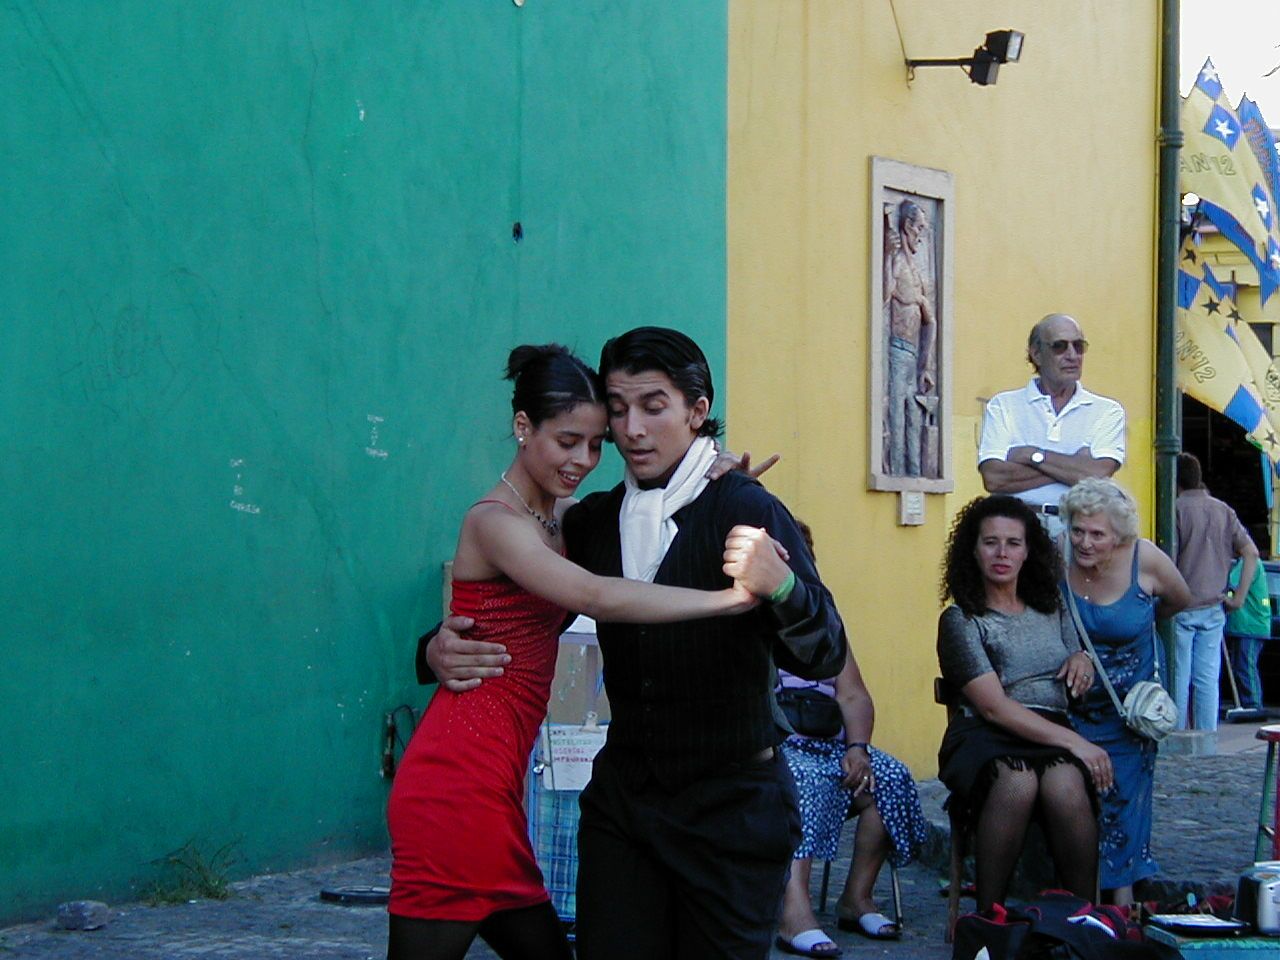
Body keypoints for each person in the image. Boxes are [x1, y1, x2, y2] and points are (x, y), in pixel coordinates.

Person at [422, 327, 848, 960]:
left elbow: (823, 654)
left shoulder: (745, 506)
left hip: (730, 809)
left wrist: (782, 585)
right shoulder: (593, 520)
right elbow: (511, 610)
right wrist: (434, 649)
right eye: (617, 410)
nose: (632, 430)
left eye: (653, 406)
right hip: (626, 808)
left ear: (697, 412)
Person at [937, 494, 1111, 912]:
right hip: (986, 733)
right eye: (990, 542)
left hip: (1050, 727)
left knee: (1065, 784)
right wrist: (1078, 744)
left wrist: (1081, 659)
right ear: (972, 550)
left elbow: (1077, 656)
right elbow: (993, 707)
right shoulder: (961, 620)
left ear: (1028, 550)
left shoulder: (1051, 606)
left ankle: (1082, 918)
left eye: (1013, 543)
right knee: (1018, 782)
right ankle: (990, 917)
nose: (1002, 553)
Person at [774, 524, 927, 958]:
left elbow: (854, 693)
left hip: (832, 745)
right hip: (777, 745)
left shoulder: (822, 621)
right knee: (802, 782)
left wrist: (857, 748)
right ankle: (794, 910)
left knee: (890, 776)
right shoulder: (745, 616)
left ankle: (856, 897)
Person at [1060, 477, 1191, 905]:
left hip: (1129, 707)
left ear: (1118, 536)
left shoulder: (1145, 559)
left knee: (1125, 800)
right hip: (1075, 706)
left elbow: (1178, 599)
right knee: (1079, 797)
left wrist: (1138, 623)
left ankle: (1121, 905)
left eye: (1097, 534)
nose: (1085, 542)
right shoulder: (1057, 560)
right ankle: (1081, 896)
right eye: (1078, 530)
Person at [977, 314, 1125, 537]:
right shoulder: (1003, 405)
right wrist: (1076, 465)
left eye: (1079, 346)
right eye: (1059, 347)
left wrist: (1032, 456)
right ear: (1036, 354)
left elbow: (1099, 475)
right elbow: (994, 479)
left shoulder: (1107, 411)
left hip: (1077, 533)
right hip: (1018, 531)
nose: (1072, 355)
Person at [1172, 452, 1259, 731]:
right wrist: (1240, 596)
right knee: (1207, 679)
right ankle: (1207, 739)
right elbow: (1251, 552)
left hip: (1181, 605)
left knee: (1178, 677)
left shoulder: (1174, 508)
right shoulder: (1223, 509)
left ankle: (1176, 736)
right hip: (1215, 605)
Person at [884, 198, 937, 478]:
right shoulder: (896, 263)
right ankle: (895, 470)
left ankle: (914, 474)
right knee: (896, 417)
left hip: (914, 356)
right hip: (896, 351)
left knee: (914, 420)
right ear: (906, 227)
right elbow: (884, 297)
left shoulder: (917, 272)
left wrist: (925, 366)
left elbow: (931, 321)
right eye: (919, 228)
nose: (921, 235)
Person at [1226, 551, 1271, 713]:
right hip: (1245, 626)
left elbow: (1230, 584)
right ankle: (1248, 703)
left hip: (1250, 626)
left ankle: (1253, 704)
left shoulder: (1247, 563)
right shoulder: (1245, 563)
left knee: (1245, 665)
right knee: (1241, 665)